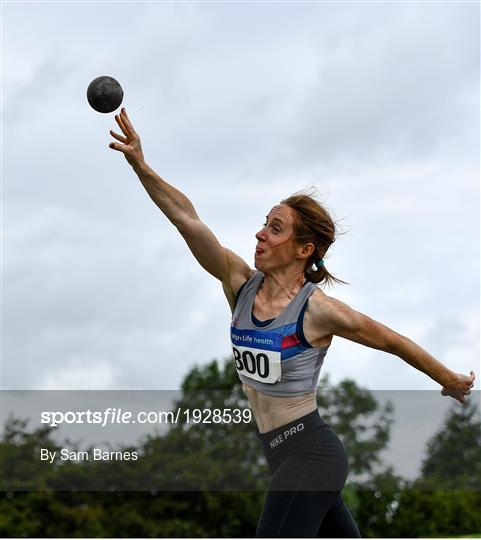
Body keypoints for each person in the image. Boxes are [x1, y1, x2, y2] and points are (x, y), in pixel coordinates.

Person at [109, 108, 476, 538]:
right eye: (264, 224)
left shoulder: (316, 310)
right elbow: (187, 220)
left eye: (275, 228)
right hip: (281, 456)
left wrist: (448, 378)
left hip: (312, 454)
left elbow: (391, 341)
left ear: (304, 249)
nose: (260, 234)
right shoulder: (239, 283)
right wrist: (141, 165)